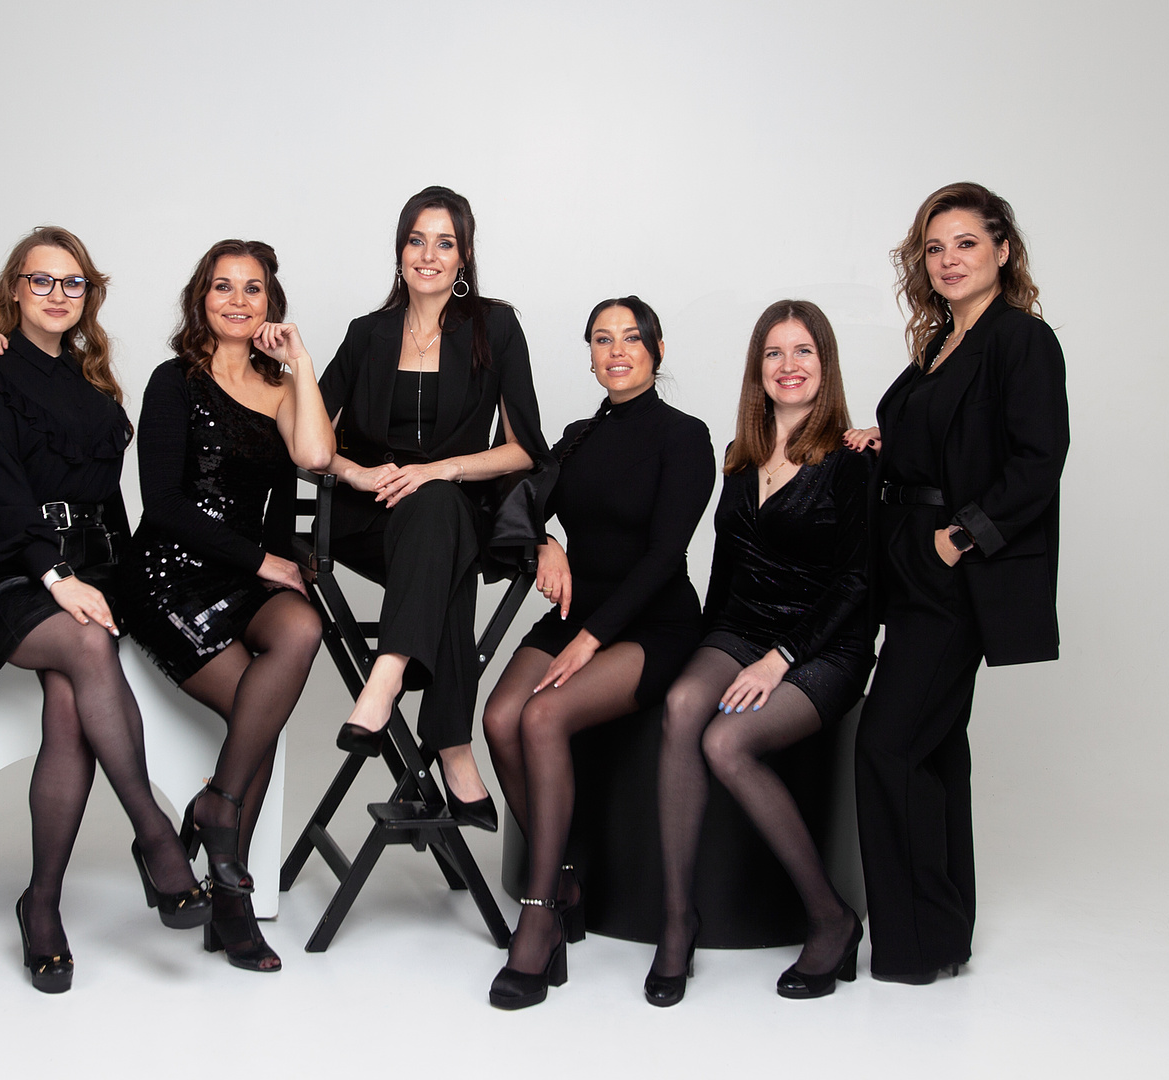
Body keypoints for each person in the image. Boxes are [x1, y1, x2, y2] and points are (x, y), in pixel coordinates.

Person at [0, 227, 209, 993]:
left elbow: (109, 503)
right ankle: (156, 838)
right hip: (6, 564)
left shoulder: (94, 383)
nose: (57, 296)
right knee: (87, 649)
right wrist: (55, 576)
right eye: (41, 282)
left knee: (70, 701)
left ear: (88, 296)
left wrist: (121, 579)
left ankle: (42, 903)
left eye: (73, 284)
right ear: (13, 290)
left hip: (90, 566)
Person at [843, 183, 1068, 984]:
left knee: (888, 744)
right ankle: (941, 937)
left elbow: (1037, 460)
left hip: (952, 572)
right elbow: (938, 436)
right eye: (935, 248)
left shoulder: (1020, 341)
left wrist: (961, 537)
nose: (948, 260)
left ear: (1002, 250)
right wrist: (884, 437)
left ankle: (908, 947)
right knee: (934, 751)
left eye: (965, 243)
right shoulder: (939, 342)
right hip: (903, 558)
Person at [481, 297, 714, 1009]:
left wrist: (590, 637)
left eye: (632, 338)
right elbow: (515, 502)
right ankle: (566, 880)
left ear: (658, 349)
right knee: (498, 719)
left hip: (651, 621)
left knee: (542, 719)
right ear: (588, 353)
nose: (617, 350)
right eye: (602, 339)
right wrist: (545, 541)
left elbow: (662, 556)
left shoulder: (685, 436)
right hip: (577, 614)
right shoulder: (579, 437)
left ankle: (540, 914)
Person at [648, 301, 876, 1005]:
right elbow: (728, 566)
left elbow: (860, 582)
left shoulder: (854, 458)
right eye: (774, 354)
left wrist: (782, 655)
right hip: (743, 626)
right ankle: (679, 919)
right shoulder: (740, 457)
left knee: (727, 743)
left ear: (826, 364)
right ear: (758, 370)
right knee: (684, 702)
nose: (789, 366)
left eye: (803, 351)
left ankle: (831, 918)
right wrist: (697, 647)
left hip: (824, 644)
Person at [114, 239, 333, 972]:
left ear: (271, 304)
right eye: (223, 287)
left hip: (245, 581)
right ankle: (231, 906)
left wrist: (301, 361)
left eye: (254, 290)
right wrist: (268, 560)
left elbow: (316, 458)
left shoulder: (278, 387)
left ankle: (213, 812)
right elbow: (164, 505)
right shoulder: (173, 382)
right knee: (258, 713)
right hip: (169, 576)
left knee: (302, 626)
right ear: (199, 298)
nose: (238, 300)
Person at [319, 185, 550, 828]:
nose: (429, 254)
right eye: (417, 240)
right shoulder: (367, 334)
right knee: (444, 553)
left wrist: (442, 468)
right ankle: (452, 744)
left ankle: (386, 675)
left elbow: (526, 448)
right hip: (371, 518)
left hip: (449, 509)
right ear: (399, 254)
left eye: (445, 242)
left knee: (442, 508)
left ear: (464, 257)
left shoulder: (494, 328)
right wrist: (360, 474)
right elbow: (310, 440)